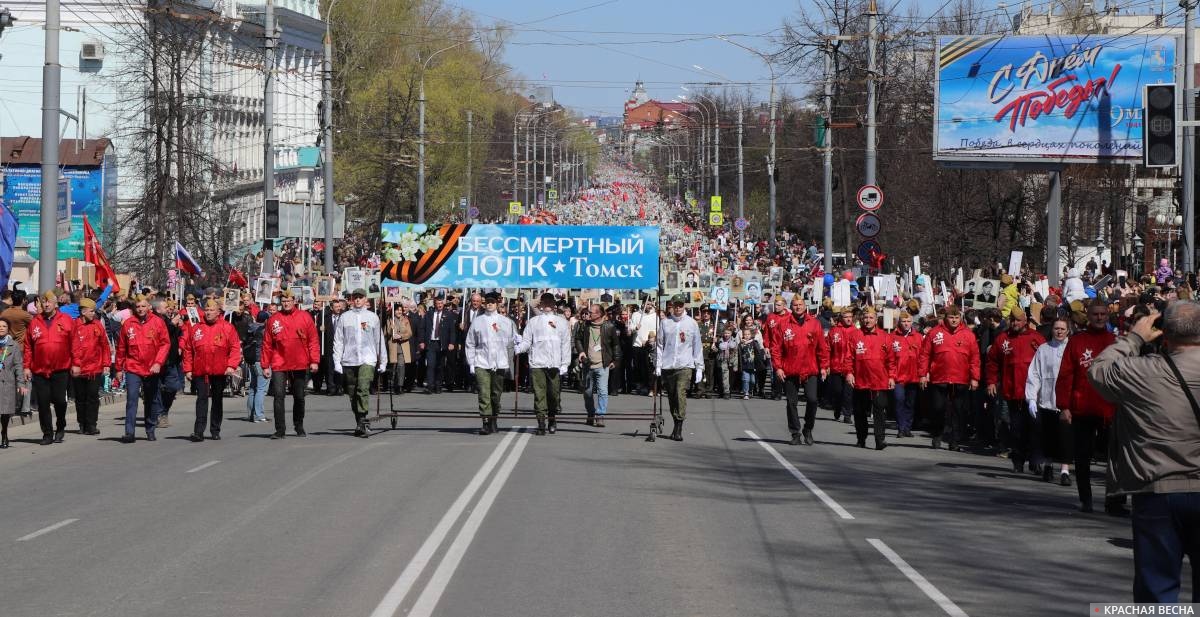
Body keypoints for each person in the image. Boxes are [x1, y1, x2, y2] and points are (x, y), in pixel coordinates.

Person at [1087, 302, 1200, 603]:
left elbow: (1099, 370)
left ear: (1164, 334)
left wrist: (1134, 338)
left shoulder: (1142, 372)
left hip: (1157, 491)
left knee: (1156, 591)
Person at [1056, 300, 1122, 514]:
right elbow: (1065, 375)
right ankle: (1086, 499)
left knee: (1115, 460)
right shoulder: (1077, 342)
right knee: (1082, 457)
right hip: (1082, 408)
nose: (1100, 318)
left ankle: (1115, 501)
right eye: (1096, 314)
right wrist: (1064, 406)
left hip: (1110, 410)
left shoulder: (1115, 342)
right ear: (1089, 315)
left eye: (1103, 314)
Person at [985, 308, 1046, 474]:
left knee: (1035, 428)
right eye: (1012, 320)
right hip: (1012, 392)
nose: (1015, 323)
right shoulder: (1002, 339)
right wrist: (991, 382)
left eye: (1018, 320)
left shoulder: (1037, 338)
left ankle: (1036, 460)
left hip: (1034, 394)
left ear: (1025, 321)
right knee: (1017, 429)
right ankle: (1018, 459)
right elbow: (992, 363)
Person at [918, 306, 980, 450]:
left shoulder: (968, 335)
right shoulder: (934, 333)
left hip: (961, 378)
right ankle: (937, 434)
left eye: (956, 318)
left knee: (958, 411)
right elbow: (925, 355)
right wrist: (922, 374)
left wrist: (974, 377)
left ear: (960, 318)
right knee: (938, 408)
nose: (954, 320)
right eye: (951, 318)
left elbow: (975, 358)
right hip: (939, 377)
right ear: (946, 318)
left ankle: (954, 441)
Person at [770, 294, 829, 445]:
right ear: (791, 306)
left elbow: (822, 347)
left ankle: (808, 429)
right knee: (791, 402)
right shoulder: (783, 324)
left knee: (812, 400)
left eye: (800, 304)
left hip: (810, 369)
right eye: (795, 305)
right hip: (790, 369)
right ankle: (795, 432)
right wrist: (778, 367)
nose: (798, 307)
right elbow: (776, 348)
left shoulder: (814, 323)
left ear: (805, 306)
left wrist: (824, 366)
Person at [262, 290, 320, 439]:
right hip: (279, 362)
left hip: (300, 362)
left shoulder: (305, 317)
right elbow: (267, 344)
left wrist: (314, 361)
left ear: (294, 300)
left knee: (299, 396)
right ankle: (280, 429)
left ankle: (298, 425)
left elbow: (313, 340)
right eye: (283, 301)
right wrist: (265, 365)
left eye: (289, 300)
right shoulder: (274, 319)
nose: (286, 303)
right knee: (279, 395)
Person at [182, 300, 241, 441]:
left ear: (218, 312)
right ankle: (198, 431)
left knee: (217, 400)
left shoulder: (227, 328)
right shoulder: (197, 328)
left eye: (211, 310)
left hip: (220, 370)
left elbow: (234, 348)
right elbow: (188, 350)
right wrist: (188, 369)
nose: (208, 312)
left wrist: (231, 366)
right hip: (201, 370)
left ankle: (215, 429)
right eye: (206, 310)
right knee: (201, 399)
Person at [515, 293, 571, 435]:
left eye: (550, 301)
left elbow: (565, 345)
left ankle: (552, 419)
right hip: (538, 363)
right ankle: (541, 422)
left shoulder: (562, 322)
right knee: (539, 395)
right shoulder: (534, 322)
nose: (547, 304)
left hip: (554, 364)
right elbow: (527, 341)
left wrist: (565, 364)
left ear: (554, 304)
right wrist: (519, 348)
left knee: (553, 395)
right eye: (544, 301)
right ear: (540, 304)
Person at [333, 289, 387, 438]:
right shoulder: (344, 317)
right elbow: (339, 340)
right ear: (351, 299)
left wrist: (383, 361)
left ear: (365, 300)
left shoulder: (372, 317)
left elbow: (379, 340)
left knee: (363, 389)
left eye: (360, 297)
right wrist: (337, 361)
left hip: (367, 359)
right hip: (349, 359)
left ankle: (363, 420)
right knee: (352, 393)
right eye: (355, 297)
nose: (357, 300)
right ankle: (359, 422)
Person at [115, 296, 170, 443]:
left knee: (151, 400)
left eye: (143, 306)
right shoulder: (128, 324)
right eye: (138, 307)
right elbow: (121, 347)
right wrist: (118, 368)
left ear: (148, 308)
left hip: (152, 368)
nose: (140, 309)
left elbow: (165, 344)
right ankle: (129, 432)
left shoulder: (158, 322)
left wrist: (158, 363)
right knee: (132, 399)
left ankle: (150, 428)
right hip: (133, 367)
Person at [1025, 317, 1072, 485]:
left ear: (1068, 331)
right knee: (1048, 435)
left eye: (1062, 329)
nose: (1059, 331)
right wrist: (1031, 397)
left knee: (1065, 436)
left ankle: (1065, 470)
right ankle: (1048, 465)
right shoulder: (1043, 349)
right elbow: (1035, 373)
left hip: (1066, 401)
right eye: (1056, 328)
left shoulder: (1071, 349)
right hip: (1046, 398)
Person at [25, 291, 76, 445]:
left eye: (49, 302)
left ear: (55, 304)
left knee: (60, 401)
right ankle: (47, 433)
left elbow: (75, 344)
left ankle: (60, 425)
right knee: (43, 402)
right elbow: (28, 347)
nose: (46, 305)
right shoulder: (35, 322)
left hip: (61, 369)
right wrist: (27, 367)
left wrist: (76, 363)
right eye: (43, 302)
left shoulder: (66, 320)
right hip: (40, 370)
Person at [465, 293, 516, 435]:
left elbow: (513, 340)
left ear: (497, 304)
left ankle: (494, 417)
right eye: (487, 302)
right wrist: (471, 362)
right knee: (483, 393)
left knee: (495, 393)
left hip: (499, 363)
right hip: (482, 362)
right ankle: (485, 421)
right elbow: (470, 342)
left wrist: (517, 343)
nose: (489, 304)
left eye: (492, 302)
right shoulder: (478, 321)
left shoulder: (505, 321)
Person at [655, 295, 703, 441]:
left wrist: (699, 367)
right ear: (672, 306)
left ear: (684, 306)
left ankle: (679, 427)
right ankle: (675, 422)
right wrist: (658, 364)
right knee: (672, 397)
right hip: (668, 365)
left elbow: (697, 346)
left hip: (685, 365)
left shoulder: (692, 323)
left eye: (680, 305)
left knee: (680, 393)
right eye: (675, 305)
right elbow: (659, 345)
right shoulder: (665, 322)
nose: (678, 308)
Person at [847, 307, 896, 450]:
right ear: (861, 319)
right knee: (860, 411)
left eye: (870, 318)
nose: (867, 320)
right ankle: (861, 438)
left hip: (880, 380)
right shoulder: (855, 335)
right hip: (861, 379)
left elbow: (891, 360)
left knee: (880, 410)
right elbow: (848, 357)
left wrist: (892, 377)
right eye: (865, 317)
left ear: (875, 319)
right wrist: (849, 373)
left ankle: (880, 440)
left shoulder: (885, 336)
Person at [573, 303, 621, 427]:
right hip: (588, 365)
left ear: (599, 314)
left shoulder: (609, 327)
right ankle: (590, 413)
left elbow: (616, 345)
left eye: (591, 312)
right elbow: (577, 339)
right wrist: (581, 351)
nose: (588, 314)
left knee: (603, 391)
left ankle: (600, 415)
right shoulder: (584, 326)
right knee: (587, 392)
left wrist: (615, 361)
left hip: (603, 365)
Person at [70, 298, 110, 436]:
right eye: (91, 311)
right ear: (83, 311)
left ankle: (92, 424)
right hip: (78, 369)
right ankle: (82, 423)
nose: (94, 314)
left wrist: (106, 364)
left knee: (93, 397)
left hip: (95, 368)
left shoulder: (98, 325)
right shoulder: (73, 326)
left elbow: (105, 345)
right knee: (80, 398)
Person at [891, 312, 924, 438]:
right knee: (899, 400)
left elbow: (923, 357)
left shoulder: (918, 337)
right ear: (899, 322)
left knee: (910, 403)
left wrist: (923, 374)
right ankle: (901, 427)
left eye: (908, 321)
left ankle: (907, 428)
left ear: (912, 322)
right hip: (898, 376)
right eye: (904, 321)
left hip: (913, 376)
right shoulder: (892, 336)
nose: (906, 324)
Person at [421, 296, 456, 394]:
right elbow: (422, 328)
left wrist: (451, 343)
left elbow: (452, 331)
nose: (439, 305)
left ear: (443, 304)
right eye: (438, 303)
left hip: (442, 343)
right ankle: (430, 386)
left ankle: (438, 385)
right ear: (434, 304)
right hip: (431, 343)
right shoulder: (429, 314)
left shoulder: (448, 315)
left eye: (441, 303)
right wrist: (422, 341)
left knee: (440, 366)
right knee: (430, 365)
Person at [0, 317, 26, 448]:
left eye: (4, 326)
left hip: (7, 383)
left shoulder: (13, 345)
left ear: (8, 329)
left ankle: (4, 433)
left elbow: (18, 365)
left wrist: (21, 384)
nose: (1, 328)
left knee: (5, 412)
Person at [244, 311, 270, 422]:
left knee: (253, 388)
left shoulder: (250, 328)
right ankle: (259, 415)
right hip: (261, 360)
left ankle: (251, 414)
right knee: (261, 389)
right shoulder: (264, 330)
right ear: (265, 320)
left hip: (251, 360)